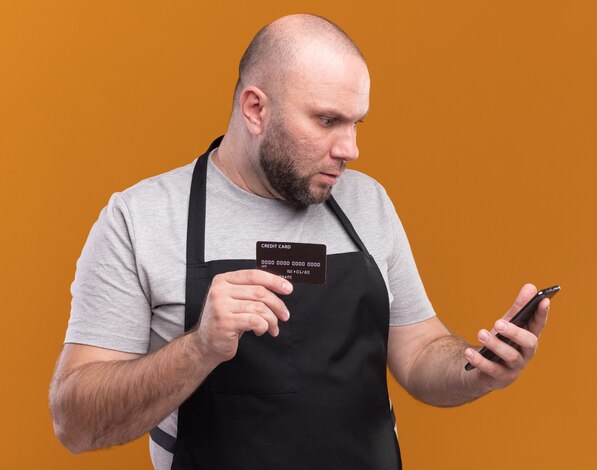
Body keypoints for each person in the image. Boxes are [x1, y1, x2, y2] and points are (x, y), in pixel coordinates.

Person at [49, 14, 550, 470]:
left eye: (357, 123)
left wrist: (477, 369)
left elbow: (420, 352)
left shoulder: (368, 202)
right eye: (327, 121)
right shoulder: (140, 219)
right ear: (254, 109)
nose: (350, 149)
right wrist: (199, 349)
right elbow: (74, 422)